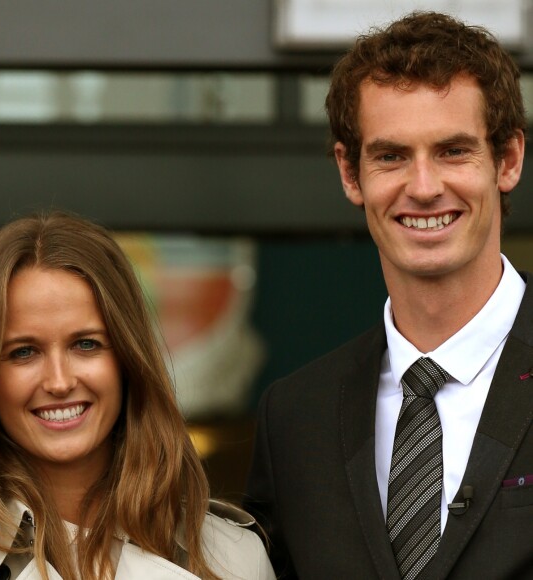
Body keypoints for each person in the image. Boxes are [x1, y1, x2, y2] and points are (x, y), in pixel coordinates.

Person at [244, 11, 532, 580]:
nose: (423, 188)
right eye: (391, 156)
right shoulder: (295, 419)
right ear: (350, 174)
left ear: (508, 160)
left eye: (453, 151)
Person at [0, 212, 276, 580]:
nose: (59, 382)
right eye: (24, 351)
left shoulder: (232, 558)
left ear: (128, 358)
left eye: (86, 344)